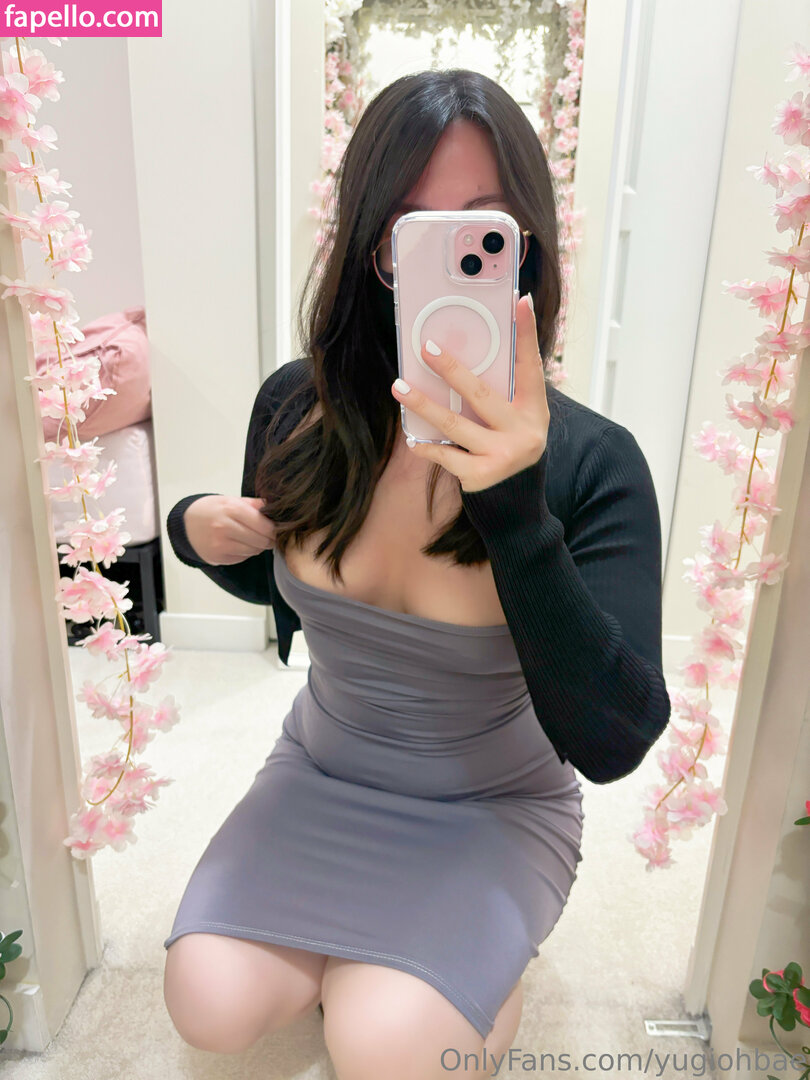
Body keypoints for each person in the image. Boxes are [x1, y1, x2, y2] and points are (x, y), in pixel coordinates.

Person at [161, 68, 671, 1078]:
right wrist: (189, 530)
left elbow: (614, 737)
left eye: (480, 228)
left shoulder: (592, 462)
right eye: (411, 227)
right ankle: (391, 963)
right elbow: (281, 586)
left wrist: (515, 508)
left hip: (493, 805)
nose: (447, 256)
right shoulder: (297, 409)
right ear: (372, 249)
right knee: (205, 1004)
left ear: (526, 246)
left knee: (385, 1047)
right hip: (322, 772)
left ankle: (463, 967)